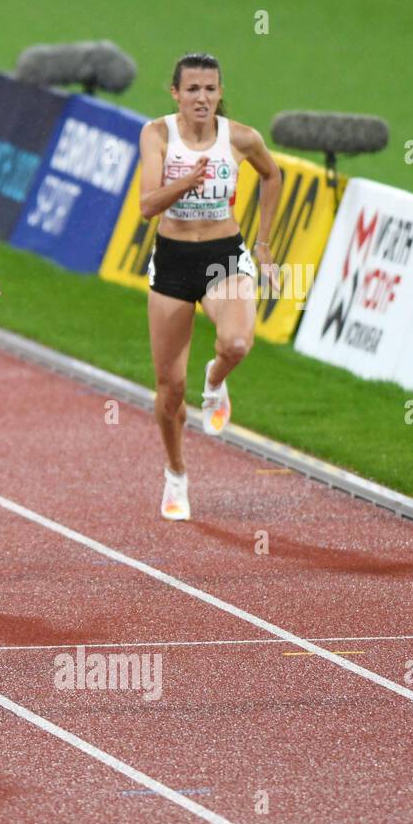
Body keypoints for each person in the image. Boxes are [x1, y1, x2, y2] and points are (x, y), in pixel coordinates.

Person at [138, 53, 281, 520]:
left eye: (211, 89)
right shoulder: (158, 134)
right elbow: (146, 205)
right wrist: (186, 183)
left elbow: (272, 174)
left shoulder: (240, 137)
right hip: (174, 263)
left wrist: (263, 245)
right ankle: (176, 474)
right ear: (175, 93)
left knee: (237, 342)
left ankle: (215, 381)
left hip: (224, 257)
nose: (202, 98)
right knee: (169, 390)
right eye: (193, 89)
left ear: (221, 93)